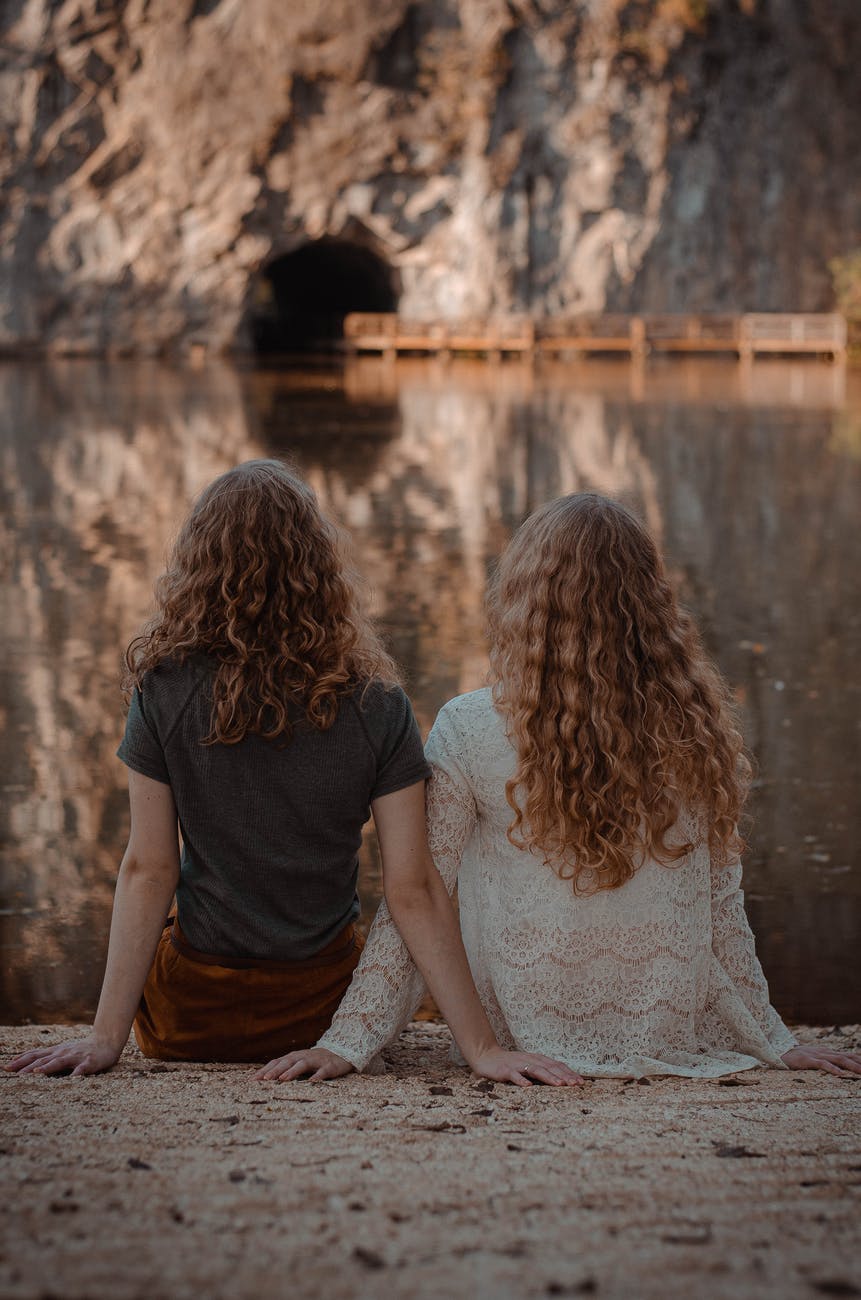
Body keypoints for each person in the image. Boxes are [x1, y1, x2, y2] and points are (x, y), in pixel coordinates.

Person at [6, 461, 580, 1088]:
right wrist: (482, 1048)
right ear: (319, 567)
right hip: (321, 1010)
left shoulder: (162, 692)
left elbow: (150, 868)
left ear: (198, 565)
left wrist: (104, 1038)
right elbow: (412, 888)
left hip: (191, 1018)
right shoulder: (376, 703)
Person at [271, 493, 861, 1082]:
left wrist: (350, 1040)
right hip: (664, 1025)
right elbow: (721, 908)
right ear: (650, 604)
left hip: (523, 1029)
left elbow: (420, 891)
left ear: (524, 601)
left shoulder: (471, 726)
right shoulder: (696, 726)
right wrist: (772, 1036)